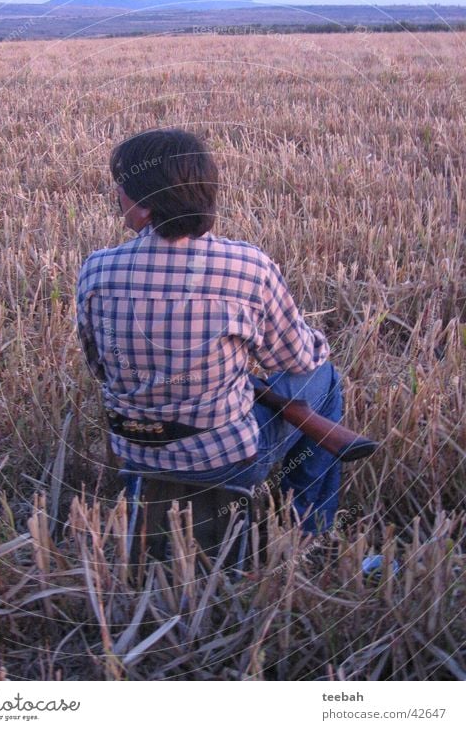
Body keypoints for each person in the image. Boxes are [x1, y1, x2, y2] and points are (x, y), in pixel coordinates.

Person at [76, 128, 343, 535]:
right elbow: (299, 360)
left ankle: (143, 489)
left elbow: (100, 367)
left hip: (137, 454)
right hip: (225, 458)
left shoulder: (95, 270)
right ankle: (307, 529)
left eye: (123, 187)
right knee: (325, 381)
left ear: (146, 206)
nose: (118, 195)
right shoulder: (249, 266)